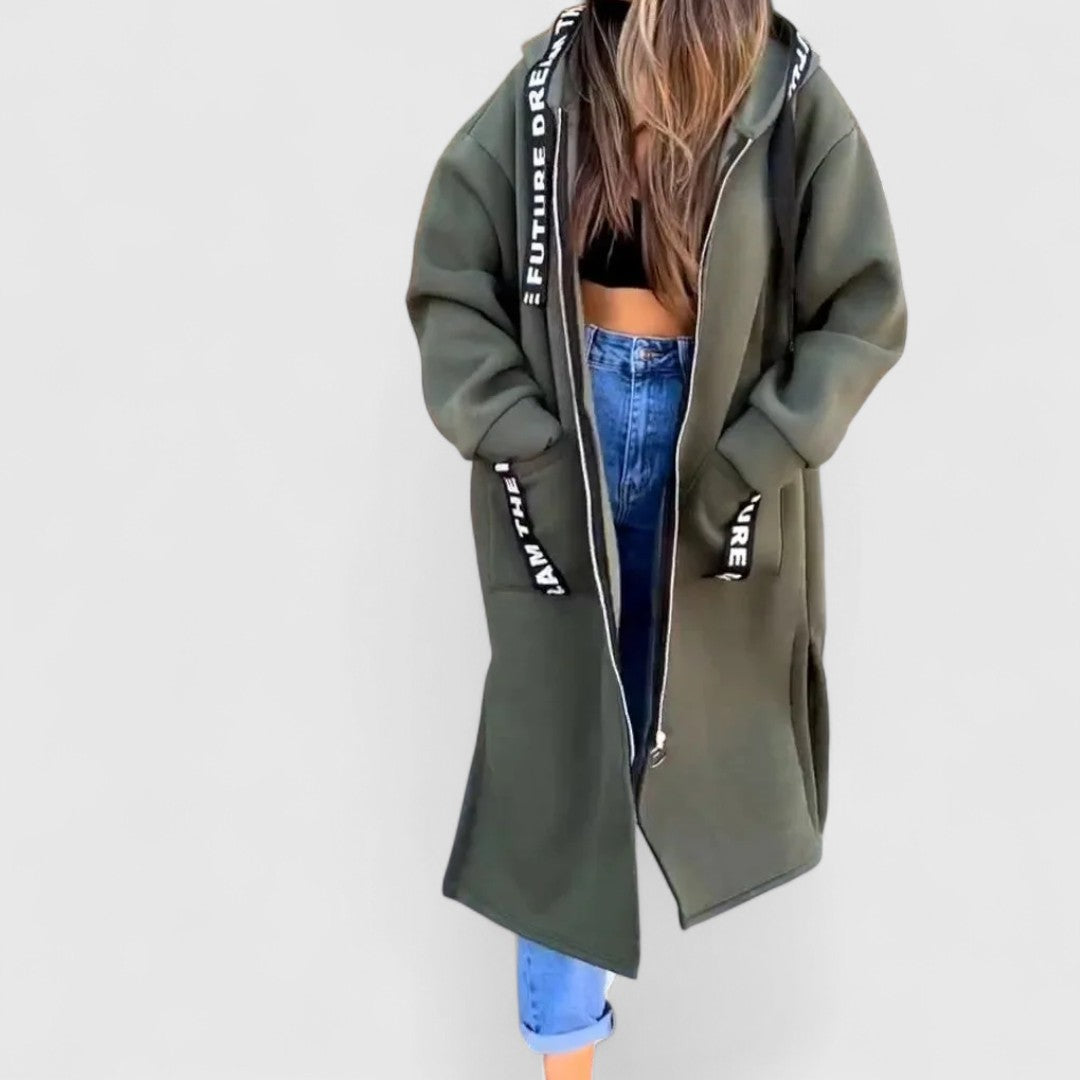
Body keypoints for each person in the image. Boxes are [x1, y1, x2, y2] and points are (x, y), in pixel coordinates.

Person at [404, 1, 907, 1076]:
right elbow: (452, 281)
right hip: (572, 440)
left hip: (709, 450)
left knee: (694, 732)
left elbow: (864, 309)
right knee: (564, 768)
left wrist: (755, 457)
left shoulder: (786, 92)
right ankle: (566, 1064)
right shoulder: (553, 78)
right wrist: (523, 442)